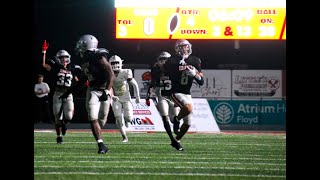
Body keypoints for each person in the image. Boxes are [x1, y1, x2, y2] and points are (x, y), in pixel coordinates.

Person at [60, 34, 115, 154]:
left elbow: (111, 74)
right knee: (92, 116)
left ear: (87, 45)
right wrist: (69, 92)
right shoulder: (85, 59)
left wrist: (106, 91)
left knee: (102, 119)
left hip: (105, 89)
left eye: (82, 45)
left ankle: (99, 137)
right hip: (93, 90)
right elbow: (84, 79)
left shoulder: (98, 56)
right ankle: (101, 145)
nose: (79, 47)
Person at [164, 39, 204, 146]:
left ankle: (176, 140)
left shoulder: (195, 60)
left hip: (187, 93)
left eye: (186, 46)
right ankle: (176, 120)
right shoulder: (172, 60)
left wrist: (194, 74)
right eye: (182, 47)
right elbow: (169, 72)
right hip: (175, 92)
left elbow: (201, 82)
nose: (184, 49)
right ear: (177, 49)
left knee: (188, 123)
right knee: (189, 108)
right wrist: (180, 66)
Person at [42, 41, 81, 144]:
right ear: (58, 59)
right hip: (58, 94)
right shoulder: (55, 68)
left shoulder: (72, 68)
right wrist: (44, 51)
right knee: (57, 117)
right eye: (62, 58)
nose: (64, 59)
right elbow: (44, 65)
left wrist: (85, 82)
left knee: (69, 117)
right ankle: (59, 136)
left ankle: (64, 124)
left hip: (68, 95)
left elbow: (77, 80)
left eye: (65, 57)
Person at [146, 51, 183, 151]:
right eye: (161, 59)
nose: (163, 61)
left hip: (173, 96)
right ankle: (173, 140)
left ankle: (176, 129)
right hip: (162, 96)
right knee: (165, 117)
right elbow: (153, 82)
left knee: (174, 119)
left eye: (165, 59)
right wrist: (148, 95)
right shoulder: (155, 69)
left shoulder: (174, 69)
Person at [109, 55, 141, 143]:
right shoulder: (108, 73)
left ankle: (127, 120)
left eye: (116, 63)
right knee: (118, 118)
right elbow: (108, 87)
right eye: (113, 63)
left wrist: (137, 97)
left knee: (129, 118)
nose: (115, 65)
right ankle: (124, 137)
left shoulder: (126, 72)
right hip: (116, 98)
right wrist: (111, 96)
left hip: (126, 97)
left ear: (121, 63)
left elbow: (134, 84)